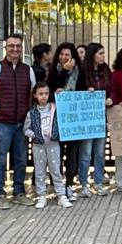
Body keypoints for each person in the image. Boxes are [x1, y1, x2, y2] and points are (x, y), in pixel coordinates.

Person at [0, 33, 37, 208]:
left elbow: (33, 93)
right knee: (0, 159)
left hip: (21, 123)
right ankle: (0, 194)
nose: (15, 49)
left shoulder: (28, 70)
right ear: (6, 48)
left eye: (18, 46)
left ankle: (19, 192)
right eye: (11, 46)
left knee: (21, 159)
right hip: (2, 122)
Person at [24, 82, 71, 208]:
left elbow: (67, 109)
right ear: (35, 95)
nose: (43, 96)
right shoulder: (32, 113)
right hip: (38, 146)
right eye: (40, 94)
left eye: (45, 93)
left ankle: (61, 195)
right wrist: (34, 135)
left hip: (53, 144)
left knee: (56, 170)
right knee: (39, 171)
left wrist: (62, 93)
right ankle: (41, 196)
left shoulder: (55, 108)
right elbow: (26, 129)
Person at [48, 43, 85, 195]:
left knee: (72, 152)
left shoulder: (80, 71)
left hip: (74, 118)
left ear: (73, 57)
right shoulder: (53, 70)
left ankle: (69, 183)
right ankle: (56, 182)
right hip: (56, 117)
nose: (63, 57)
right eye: (61, 54)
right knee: (56, 151)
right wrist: (64, 71)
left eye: (67, 55)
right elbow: (51, 88)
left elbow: (82, 89)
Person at [79, 43, 111, 195]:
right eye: (101, 53)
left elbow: (112, 89)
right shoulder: (82, 70)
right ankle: (84, 183)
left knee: (99, 151)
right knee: (86, 152)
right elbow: (75, 91)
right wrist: (86, 91)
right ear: (93, 55)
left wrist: (111, 98)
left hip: (101, 116)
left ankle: (98, 182)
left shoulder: (106, 70)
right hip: (86, 118)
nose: (104, 56)